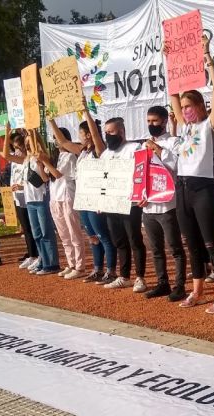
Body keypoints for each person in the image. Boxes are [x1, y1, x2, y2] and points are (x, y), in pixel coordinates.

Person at [168, 35, 214, 314]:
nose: (184, 110)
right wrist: (168, 58)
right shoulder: (183, 127)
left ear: (199, 106)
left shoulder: (210, 125)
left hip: (204, 188)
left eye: (188, 106)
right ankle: (197, 291)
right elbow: (172, 93)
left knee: (212, 243)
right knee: (191, 243)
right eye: (182, 108)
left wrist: (208, 57)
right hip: (182, 188)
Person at [142, 105, 186, 302]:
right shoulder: (142, 145)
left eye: (155, 121)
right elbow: (140, 173)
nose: (152, 125)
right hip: (149, 205)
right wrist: (139, 195)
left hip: (168, 205)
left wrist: (158, 149)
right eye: (149, 121)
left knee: (175, 247)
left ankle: (180, 286)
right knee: (156, 248)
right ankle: (162, 283)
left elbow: (177, 166)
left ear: (164, 121)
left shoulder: (174, 142)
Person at [99, 117, 146, 292]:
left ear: (121, 132)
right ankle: (124, 276)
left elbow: (143, 172)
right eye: (106, 133)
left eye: (110, 132)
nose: (107, 136)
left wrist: (143, 194)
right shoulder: (105, 154)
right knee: (119, 241)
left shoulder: (134, 148)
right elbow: (101, 179)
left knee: (134, 239)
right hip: (112, 204)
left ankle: (140, 277)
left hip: (130, 202)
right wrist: (100, 200)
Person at [75, 116, 118, 285]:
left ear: (88, 135)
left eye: (80, 133)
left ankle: (111, 271)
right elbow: (63, 142)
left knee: (104, 236)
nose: (78, 136)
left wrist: (86, 112)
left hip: (95, 199)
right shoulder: (83, 152)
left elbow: (96, 139)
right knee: (92, 237)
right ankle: (97, 269)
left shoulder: (99, 150)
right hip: (83, 199)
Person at [0, 127, 39, 270]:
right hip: (18, 197)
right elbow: (1, 152)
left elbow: (5, 154)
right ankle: (31, 255)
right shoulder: (15, 158)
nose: (16, 149)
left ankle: (37, 254)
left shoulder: (24, 159)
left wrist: (10, 133)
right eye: (15, 147)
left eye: (19, 147)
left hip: (28, 196)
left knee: (32, 229)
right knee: (25, 229)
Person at [44, 117, 86, 279]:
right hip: (55, 199)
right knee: (63, 234)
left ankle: (80, 266)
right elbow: (47, 177)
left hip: (68, 196)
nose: (56, 142)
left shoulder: (69, 156)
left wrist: (44, 162)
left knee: (74, 232)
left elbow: (57, 174)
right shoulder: (55, 157)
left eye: (58, 138)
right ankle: (71, 263)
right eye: (54, 139)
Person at [20, 130, 60, 276]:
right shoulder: (26, 159)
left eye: (30, 143)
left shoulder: (43, 157)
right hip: (29, 199)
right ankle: (43, 260)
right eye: (26, 144)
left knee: (46, 232)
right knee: (36, 233)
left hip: (41, 198)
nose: (28, 146)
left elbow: (45, 179)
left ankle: (52, 263)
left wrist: (41, 163)